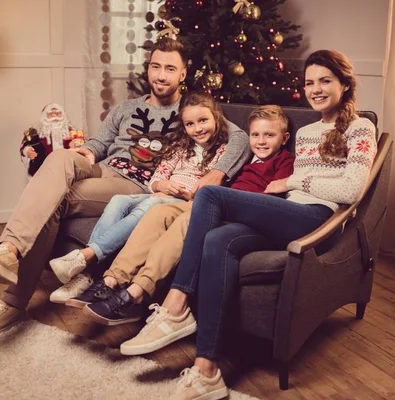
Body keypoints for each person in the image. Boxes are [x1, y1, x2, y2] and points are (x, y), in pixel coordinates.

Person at [121, 50, 378, 400]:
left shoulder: (360, 127)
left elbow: (351, 190)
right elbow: (301, 180)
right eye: (309, 83)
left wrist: (291, 183)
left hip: (320, 220)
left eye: (325, 81)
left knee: (210, 196)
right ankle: (206, 371)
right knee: (219, 239)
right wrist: (289, 190)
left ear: (345, 84)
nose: (315, 89)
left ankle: (176, 304)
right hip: (288, 213)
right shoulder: (307, 133)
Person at [0, 38, 251, 341]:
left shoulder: (191, 111)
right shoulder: (127, 107)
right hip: (104, 168)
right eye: (155, 67)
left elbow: (239, 137)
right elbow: (100, 143)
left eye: (169, 68)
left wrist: (217, 172)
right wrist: (84, 153)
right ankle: (7, 250)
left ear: (182, 74)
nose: (161, 75)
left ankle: (12, 299)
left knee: (55, 201)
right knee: (60, 157)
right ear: (148, 69)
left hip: (134, 183)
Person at [65, 105, 294, 328]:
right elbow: (235, 147)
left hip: (237, 212)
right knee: (159, 211)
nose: (261, 141)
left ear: (283, 139)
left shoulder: (283, 161)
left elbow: (276, 194)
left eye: (269, 135)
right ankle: (111, 279)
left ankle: (134, 295)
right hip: (212, 203)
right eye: (256, 134)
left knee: (187, 221)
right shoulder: (245, 158)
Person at [47, 91, 230, 305]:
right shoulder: (181, 148)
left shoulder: (225, 153)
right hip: (162, 194)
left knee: (152, 204)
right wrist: (163, 185)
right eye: (190, 124)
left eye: (203, 121)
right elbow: (156, 178)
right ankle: (88, 272)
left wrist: (186, 193)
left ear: (216, 118)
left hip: (183, 203)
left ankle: (86, 261)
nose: (197, 128)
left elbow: (216, 190)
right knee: (118, 201)